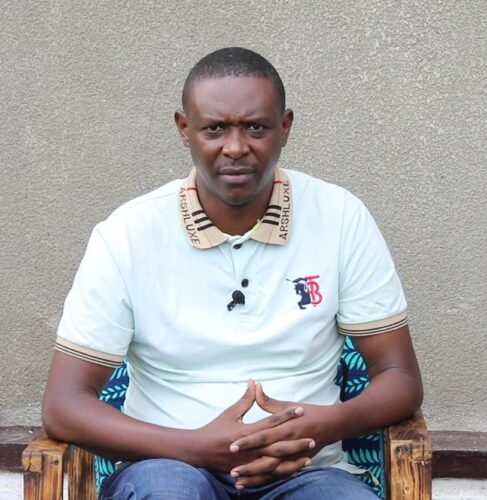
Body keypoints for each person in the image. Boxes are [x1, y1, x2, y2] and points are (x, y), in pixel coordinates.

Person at [42, 47, 423, 499]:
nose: (236, 147)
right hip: (168, 467)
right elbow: (63, 406)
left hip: (306, 470)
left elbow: (400, 377)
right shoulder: (128, 233)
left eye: (256, 127)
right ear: (185, 129)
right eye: (215, 128)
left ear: (285, 127)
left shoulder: (341, 217)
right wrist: (196, 448)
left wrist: (326, 425)